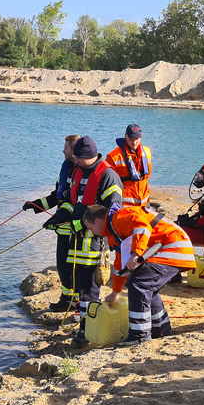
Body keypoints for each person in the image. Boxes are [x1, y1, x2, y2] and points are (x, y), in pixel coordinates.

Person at [42, 136, 123, 347]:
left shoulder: (108, 176)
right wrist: (58, 217)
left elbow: (111, 212)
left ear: (88, 156)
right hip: (76, 242)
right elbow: (71, 201)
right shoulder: (78, 171)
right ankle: (84, 326)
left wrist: (82, 225)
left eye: (77, 157)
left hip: (93, 243)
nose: (74, 161)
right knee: (80, 287)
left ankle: (87, 332)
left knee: (89, 290)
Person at [82, 203, 195, 347]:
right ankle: (161, 329)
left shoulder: (118, 218)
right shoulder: (114, 232)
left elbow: (142, 226)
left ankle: (139, 335)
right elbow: (119, 266)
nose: (92, 232)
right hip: (175, 247)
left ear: (97, 221)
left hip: (174, 247)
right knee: (147, 287)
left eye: (91, 228)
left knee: (139, 284)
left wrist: (136, 253)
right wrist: (115, 292)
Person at [23, 134, 80, 312]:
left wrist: (57, 218)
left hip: (75, 229)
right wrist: (36, 205)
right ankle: (66, 299)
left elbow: (75, 202)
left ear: (74, 150)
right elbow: (58, 196)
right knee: (62, 267)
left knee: (74, 267)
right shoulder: (66, 169)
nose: (63, 150)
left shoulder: (81, 173)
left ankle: (76, 303)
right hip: (62, 228)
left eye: (66, 147)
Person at [106, 124, 152, 207]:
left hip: (144, 202)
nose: (134, 142)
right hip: (125, 204)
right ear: (125, 136)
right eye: (131, 139)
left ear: (141, 137)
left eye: (137, 139)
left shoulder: (147, 152)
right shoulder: (113, 156)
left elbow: (147, 175)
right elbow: (108, 182)